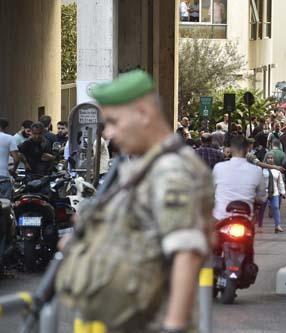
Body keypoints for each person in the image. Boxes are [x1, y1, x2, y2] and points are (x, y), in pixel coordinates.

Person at [83, 70, 214, 332]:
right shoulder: (150, 165)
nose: (108, 133)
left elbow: (186, 252)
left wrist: (174, 326)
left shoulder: (170, 171)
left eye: (113, 121)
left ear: (142, 114)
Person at [213, 135, 267, 221]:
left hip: (221, 217)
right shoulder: (256, 170)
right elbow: (262, 197)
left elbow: (211, 191)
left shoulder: (219, 167)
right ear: (247, 149)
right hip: (245, 218)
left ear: (231, 149)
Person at [261, 153, 286, 233]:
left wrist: (283, 192)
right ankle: (259, 224)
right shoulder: (262, 169)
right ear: (266, 159)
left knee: (276, 207)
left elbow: (280, 182)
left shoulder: (277, 170)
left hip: (274, 192)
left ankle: (277, 225)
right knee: (261, 209)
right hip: (264, 192)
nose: (270, 159)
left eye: (272, 158)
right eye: (268, 158)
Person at [0, 119, 19, 199]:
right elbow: (16, 159)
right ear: (5, 127)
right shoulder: (10, 138)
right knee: (5, 206)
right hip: (4, 176)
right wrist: (13, 170)